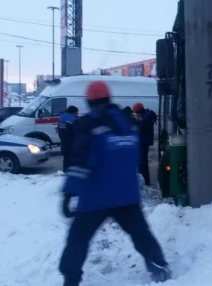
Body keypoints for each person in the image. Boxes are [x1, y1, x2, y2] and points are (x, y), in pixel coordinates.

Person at [59, 81, 170, 286]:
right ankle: (159, 267)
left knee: (78, 238)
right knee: (141, 234)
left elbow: (80, 161)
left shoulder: (88, 124)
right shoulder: (127, 123)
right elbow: (135, 157)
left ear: (89, 102)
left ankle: (70, 279)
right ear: (109, 99)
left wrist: (68, 193)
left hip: (95, 196)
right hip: (126, 195)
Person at [132, 102, 157, 187]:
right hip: (143, 142)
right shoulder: (146, 115)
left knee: (142, 163)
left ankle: (145, 182)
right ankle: (145, 181)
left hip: (143, 142)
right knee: (142, 163)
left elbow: (142, 128)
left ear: (139, 111)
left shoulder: (146, 117)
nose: (136, 115)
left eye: (136, 113)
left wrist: (136, 122)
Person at [58, 106, 79, 172]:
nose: (77, 114)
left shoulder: (61, 119)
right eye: (76, 113)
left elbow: (60, 132)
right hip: (71, 143)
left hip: (64, 142)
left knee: (66, 159)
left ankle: (65, 172)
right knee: (72, 159)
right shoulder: (72, 120)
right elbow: (76, 132)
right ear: (73, 113)